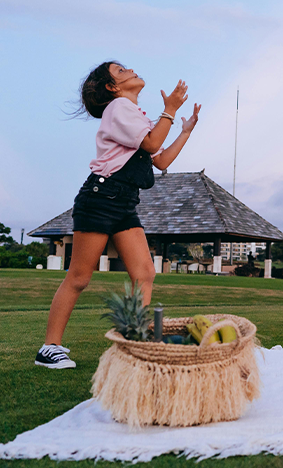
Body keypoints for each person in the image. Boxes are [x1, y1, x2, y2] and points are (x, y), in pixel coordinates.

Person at [36, 62, 201, 369]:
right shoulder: (118, 108)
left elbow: (161, 160)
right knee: (79, 277)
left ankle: (134, 341)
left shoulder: (134, 115)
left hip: (124, 203)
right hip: (100, 199)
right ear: (112, 87)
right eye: (121, 70)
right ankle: (49, 348)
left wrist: (185, 131)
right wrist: (170, 110)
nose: (131, 70)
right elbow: (153, 143)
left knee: (144, 274)